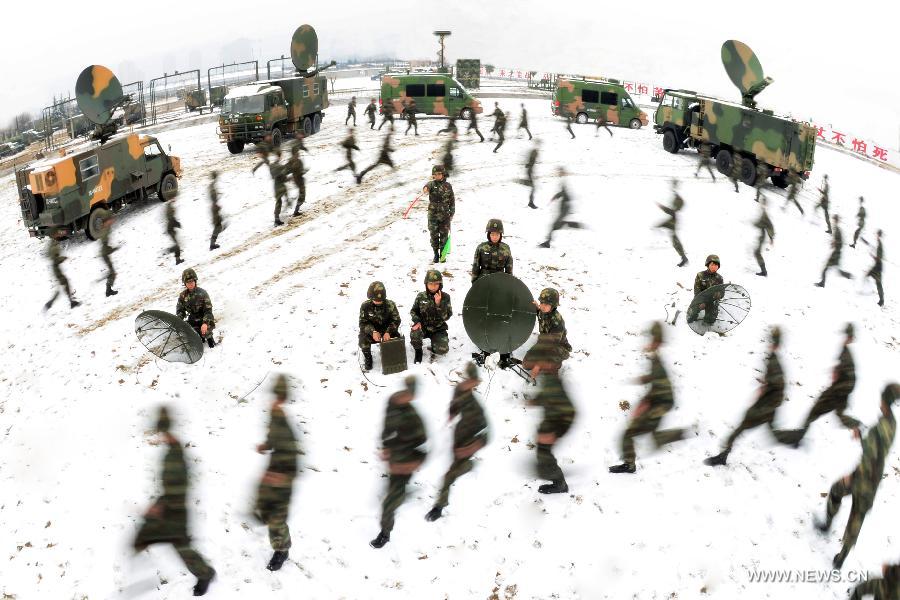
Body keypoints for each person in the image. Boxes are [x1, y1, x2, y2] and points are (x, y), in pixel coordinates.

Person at [133, 407, 215, 596]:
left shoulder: (174, 456)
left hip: (176, 510)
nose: (160, 436)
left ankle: (205, 574)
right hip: (172, 506)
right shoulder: (172, 450)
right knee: (170, 542)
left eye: (161, 432)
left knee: (181, 546)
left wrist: (161, 506)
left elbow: (180, 486)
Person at [816, 383, 898, 569]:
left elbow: (871, 456)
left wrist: (853, 477)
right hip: (873, 480)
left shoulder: (881, 428)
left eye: (882, 398)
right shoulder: (891, 424)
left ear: (885, 401)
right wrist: (861, 436)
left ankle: (827, 525)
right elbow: (876, 449)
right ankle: (841, 557)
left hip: (864, 477)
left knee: (838, 490)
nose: (880, 402)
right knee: (857, 518)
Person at [704, 326, 793, 466]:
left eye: (772, 341)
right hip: (768, 405)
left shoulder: (774, 362)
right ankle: (796, 438)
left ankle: (722, 456)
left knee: (741, 428)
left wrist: (765, 392)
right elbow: (775, 384)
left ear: (774, 343)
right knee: (773, 434)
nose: (769, 344)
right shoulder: (772, 359)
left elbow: (778, 387)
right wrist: (765, 384)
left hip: (765, 406)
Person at [609, 322, 686, 474]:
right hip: (658, 402)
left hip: (660, 404)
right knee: (634, 433)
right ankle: (629, 464)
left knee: (632, 434)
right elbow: (656, 380)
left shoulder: (657, 361)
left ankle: (680, 433)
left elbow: (662, 388)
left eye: (652, 339)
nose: (648, 343)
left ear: (657, 341)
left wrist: (646, 404)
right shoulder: (655, 358)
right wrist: (643, 380)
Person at [425, 362, 488, 521]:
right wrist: (452, 413)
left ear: (475, 382)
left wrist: (472, 447)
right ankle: (467, 465)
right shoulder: (459, 389)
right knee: (453, 468)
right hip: (458, 437)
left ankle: (439, 506)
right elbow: (455, 404)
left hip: (469, 442)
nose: (469, 384)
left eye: (472, 381)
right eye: (468, 380)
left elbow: (486, 434)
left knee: (449, 475)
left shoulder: (477, 408)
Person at [370, 375, 427, 549]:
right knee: (393, 491)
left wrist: (413, 464)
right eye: (407, 392)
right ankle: (402, 494)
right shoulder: (392, 402)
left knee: (388, 505)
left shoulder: (414, 418)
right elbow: (387, 427)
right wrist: (386, 446)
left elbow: (425, 447)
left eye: (411, 395)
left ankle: (385, 534)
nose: (408, 397)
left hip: (404, 466)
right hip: (393, 462)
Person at [781, 324, 861, 446]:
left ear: (850, 338)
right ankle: (798, 438)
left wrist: (837, 387)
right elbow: (844, 374)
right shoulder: (844, 351)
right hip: (837, 392)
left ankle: (797, 438)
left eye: (847, 336)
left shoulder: (847, 356)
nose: (845, 338)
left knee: (816, 412)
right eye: (845, 335)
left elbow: (851, 380)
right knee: (829, 414)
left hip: (836, 394)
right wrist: (837, 371)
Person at [254, 374, 299, 571]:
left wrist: (281, 477)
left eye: (279, 397)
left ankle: (282, 550)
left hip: (283, 477)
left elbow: (294, 458)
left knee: (276, 517)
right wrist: (266, 445)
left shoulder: (284, 425)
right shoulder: (274, 415)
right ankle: (262, 515)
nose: (275, 401)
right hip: (274, 470)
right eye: (275, 396)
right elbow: (273, 437)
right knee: (267, 509)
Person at [523, 334, 576, 493]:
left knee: (544, 451)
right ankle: (550, 473)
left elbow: (569, 411)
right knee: (542, 450)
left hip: (558, 421)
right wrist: (534, 401)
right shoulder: (548, 377)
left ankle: (559, 483)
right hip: (552, 419)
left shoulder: (552, 380)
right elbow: (547, 397)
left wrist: (555, 432)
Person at [409, 269, 452, 364]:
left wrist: (438, 304)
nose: (433, 286)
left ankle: (435, 343)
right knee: (415, 334)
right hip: (423, 326)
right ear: (426, 284)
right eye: (430, 283)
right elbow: (413, 311)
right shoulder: (421, 296)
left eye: (436, 284)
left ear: (440, 284)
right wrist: (417, 321)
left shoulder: (446, 297)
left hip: (438, 328)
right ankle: (418, 351)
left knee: (442, 350)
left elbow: (447, 317)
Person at [358, 281, 401, 371]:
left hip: (387, 331)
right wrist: (372, 332)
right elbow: (363, 323)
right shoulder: (365, 306)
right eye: (375, 300)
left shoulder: (390, 305)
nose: (378, 302)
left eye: (380, 300)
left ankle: (391, 354)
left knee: (397, 340)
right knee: (363, 339)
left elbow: (396, 320)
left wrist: (388, 332)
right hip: (373, 332)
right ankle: (368, 357)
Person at [539, 167, 583, 248]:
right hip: (565, 207)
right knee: (558, 224)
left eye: (560, 172)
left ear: (563, 172)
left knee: (555, 224)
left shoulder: (564, 180)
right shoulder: (563, 180)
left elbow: (566, 194)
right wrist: (556, 196)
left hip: (565, 207)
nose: (558, 173)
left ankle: (547, 242)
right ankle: (577, 225)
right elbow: (564, 193)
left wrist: (556, 196)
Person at [176, 268, 216, 349]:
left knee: (205, 331)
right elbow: (180, 311)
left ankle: (210, 340)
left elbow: (208, 310)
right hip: (192, 318)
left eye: (192, 281)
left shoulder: (203, 293)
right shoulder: (182, 296)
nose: (190, 284)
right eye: (188, 282)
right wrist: (178, 321)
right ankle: (199, 338)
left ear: (195, 281)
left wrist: (205, 323)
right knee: (187, 332)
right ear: (185, 283)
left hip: (204, 317)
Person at [424, 165, 455, 263]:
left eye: (439, 174)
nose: (437, 176)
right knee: (434, 235)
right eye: (435, 174)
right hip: (432, 215)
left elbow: (452, 200)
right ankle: (435, 254)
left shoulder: (448, 186)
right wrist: (425, 189)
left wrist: (452, 213)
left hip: (445, 215)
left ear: (443, 174)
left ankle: (442, 253)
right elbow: (427, 186)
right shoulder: (431, 184)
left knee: (444, 235)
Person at [532, 287, 571, 361]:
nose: (543, 306)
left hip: (556, 346)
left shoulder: (557, 322)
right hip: (545, 341)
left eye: (546, 304)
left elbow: (552, 343)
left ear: (553, 305)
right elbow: (541, 315)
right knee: (529, 361)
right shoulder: (544, 312)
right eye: (541, 303)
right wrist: (537, 308)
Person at [252, 146, 289, 227]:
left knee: (280, 200)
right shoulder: (276, 164)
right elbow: (282, 173)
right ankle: (277, 219)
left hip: (278, 184)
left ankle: (278, 217)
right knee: (280, 200)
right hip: (278, 184)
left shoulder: (273, 162)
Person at [656, 179, 688, 267]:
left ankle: (684, 258)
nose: (672, 187)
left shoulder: (678, 199)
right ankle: (683, 257)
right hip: (672, 219)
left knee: (674, 239)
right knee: (674, 239)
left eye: (674, 185)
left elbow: (671, 211)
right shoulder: (677, 197)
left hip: (673, 219)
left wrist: (661, 206)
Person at [43, 235, 80, 310]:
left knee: (64, 285)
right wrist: (63, 258)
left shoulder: (51, 245)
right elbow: (55, 260)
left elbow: (49, 256)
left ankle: (71, 302)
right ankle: (49, 304)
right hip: (56, 270)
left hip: (55, 269)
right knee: (61, 288)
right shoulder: (54, 247)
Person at [816, 215, 852, 287]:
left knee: (826, 268)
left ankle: (822, 283)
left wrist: (835, 243)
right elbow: (837, 241)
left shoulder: (838, 230)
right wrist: (834, 243)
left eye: (834, 220)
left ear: (836, 221)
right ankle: (848, 275)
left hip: (836, 253)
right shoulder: (836, 229)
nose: (833, 221)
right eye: (833, 220)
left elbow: (841, 242)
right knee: (836, 270)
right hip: (836, 252)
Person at [687, 255, 724, 325]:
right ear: (708, 265)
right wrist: (701, 302)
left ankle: (708, 320)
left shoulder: (720, 278)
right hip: (700, 298)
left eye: (716, 265)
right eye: (712, 265)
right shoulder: (700, 275)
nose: (714, 267)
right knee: (692, 313)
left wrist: (719, 294)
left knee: (711, 318)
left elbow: (722, 292)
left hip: (712, 300)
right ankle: (693, 315)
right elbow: (697, 291)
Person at [752, 196, 775, 276]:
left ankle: (764, 271)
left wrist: (771, 238)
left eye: (763, 202)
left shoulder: (764, 214)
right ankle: (764, 271)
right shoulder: (763, 212)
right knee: (756, 253)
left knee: (757, 253)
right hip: (761, 236)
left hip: (762, 236)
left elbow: (769, 226)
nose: (761, 204)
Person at [98, 214, 119, 296]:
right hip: (105, 254)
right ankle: (108, 290)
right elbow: (105, 246)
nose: (111, 221)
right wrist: (113, 249)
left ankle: (108, 290)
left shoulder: (105, 229)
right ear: (105, 222)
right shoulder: (104, 232)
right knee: (112, 272)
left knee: (112, 272)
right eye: (109, 220)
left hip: (105, 253)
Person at [285, 143, 307, 217]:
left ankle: (296, 209)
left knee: (302, 194)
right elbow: (287, 170)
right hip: (298, 179)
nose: (298, 153)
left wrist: (303, 171)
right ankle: (296, 210)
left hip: (299, 178)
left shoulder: (297, 160)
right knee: (302, 195)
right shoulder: (293, 161)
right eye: (297, 152)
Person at [866, 229, 885, 307]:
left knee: (878, 283)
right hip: (877, 265)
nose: (876, 236)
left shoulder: (880, 244)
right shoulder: (879, 243)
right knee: (870, 276)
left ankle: (882, 300)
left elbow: (879, 257)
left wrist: (873, 256)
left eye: (877, 234)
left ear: (878, 235)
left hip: (878, 266)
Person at [520, 140, 540, 209]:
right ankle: (531, 203)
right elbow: (530, 161)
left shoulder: (534, 152)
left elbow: (529, 162)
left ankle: (531, 202)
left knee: (533, 187)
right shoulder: (534, 152)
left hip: (530, 171)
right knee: (533, 187)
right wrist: (529, 166)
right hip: (529, 171)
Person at [208, 170, 225, 251]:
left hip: (214, 207)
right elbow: (213, 197)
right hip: (214, 208)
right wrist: (216, 203)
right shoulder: (212, 187)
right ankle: (212, 244)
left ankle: (212, 243)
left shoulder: (212, 185)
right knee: (218, 227)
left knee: (218, 226)